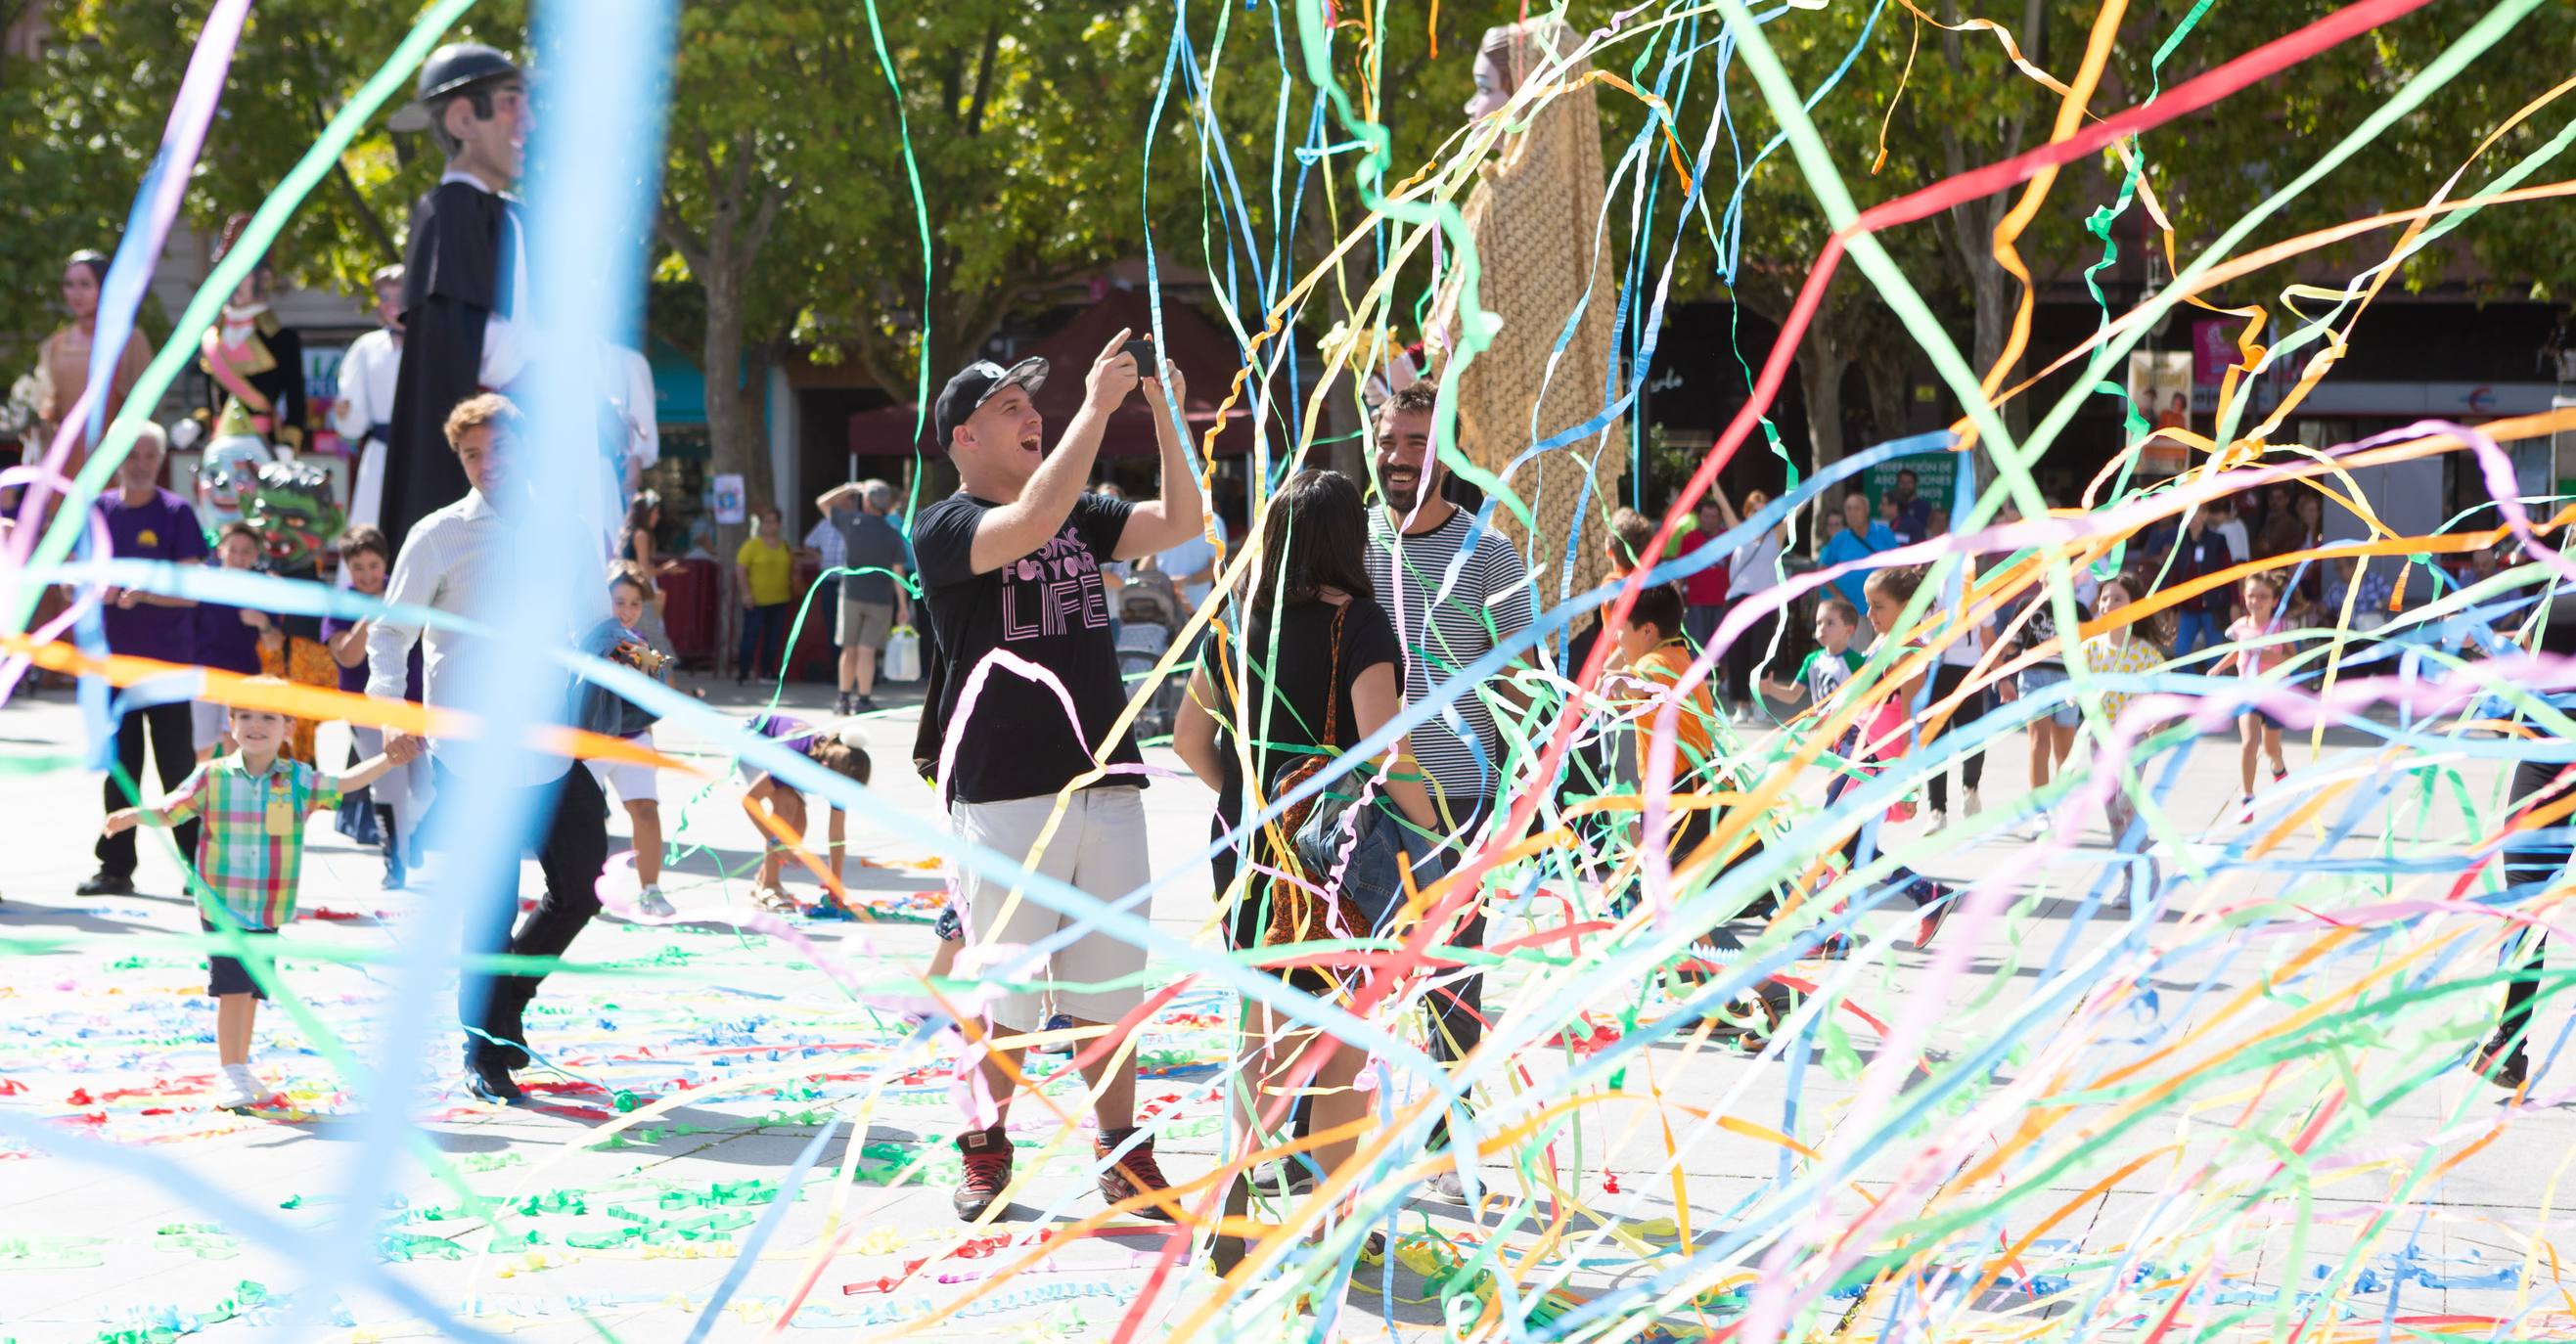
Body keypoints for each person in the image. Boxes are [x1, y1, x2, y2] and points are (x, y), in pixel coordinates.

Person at [909, 332, 1206, 1223]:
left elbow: (1179, 524)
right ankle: (983, 1147)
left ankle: (1120, 1155)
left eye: (1033, 405)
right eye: (1009, 409)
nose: (1031, 416)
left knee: (1109, 991)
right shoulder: (945, 525)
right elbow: (1031, 522)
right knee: (1002, 996)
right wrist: (1094, 408)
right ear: (963, 437)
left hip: (1106, 778)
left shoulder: (1074, 509)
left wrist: (1163, 417)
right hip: (1004, 789)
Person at [1170, 468, 1439, 1261]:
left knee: (1261, 1033)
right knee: (1336, 1047)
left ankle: (1233, 1202)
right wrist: (1439, 832)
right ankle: (1330, 1225)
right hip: (1332, 857)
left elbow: (1189, 738)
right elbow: (1388, 748)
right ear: (1348, 542)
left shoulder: (1232, 616)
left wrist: (1252, 803)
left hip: (1243, 845)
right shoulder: (1357, 624)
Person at [366, 392, 611, 1105]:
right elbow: (390, 634)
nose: (485, 465)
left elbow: (594, 624)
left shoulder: (566, 532)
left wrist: (626, 651)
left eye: (497, 450)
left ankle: (505, 1006)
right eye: (472, 455)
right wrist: (391, 713)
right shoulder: (440, 535)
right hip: (471, 753)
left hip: (550, 739)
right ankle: (484, 1052)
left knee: (582, 885)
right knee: (488, 907)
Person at [1363, 380, 1535, 1198]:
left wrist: (1524, 800)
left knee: (1451, 980)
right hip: (1358, 802)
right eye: (1390, 440)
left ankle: (1445, 1139)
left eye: (1417, 444)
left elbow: (1527, 682)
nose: (1399, 457)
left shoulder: (1489, 555)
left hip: (1459, 798)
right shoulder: (1349, 541)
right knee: (1346, 971)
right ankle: (1334, 1144)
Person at [103, 680, 417, 1110]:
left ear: (289, 727)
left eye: (269, 717)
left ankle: (240, 1067)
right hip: (222, 904)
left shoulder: (298, 779)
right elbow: (170, 811)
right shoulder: (212, 776)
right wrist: (131, 816)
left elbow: (344, 783)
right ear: (230, 724)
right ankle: (229, 1070)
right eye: (246, 716)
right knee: (233, 989)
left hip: (267, 907)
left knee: (251, 990)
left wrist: (387, 759)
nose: (256, 725)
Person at [379, 43, 532, 553]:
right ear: (465, 118)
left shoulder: (507, 213)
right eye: (511, 102)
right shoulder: (452, 213)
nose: (528, 122)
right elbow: (476, 354)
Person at [78, 425, 206, 897]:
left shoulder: (176, 513)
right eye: (132, 454)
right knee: (120, 768)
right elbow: (73, 580)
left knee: (177, 771)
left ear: (161, 460)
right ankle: (115, 868)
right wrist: (96, 590)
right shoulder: (97, 511)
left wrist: (146, 594)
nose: (140, 462)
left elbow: (194, 592)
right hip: (111, 669)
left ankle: (198, 870)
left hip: (167, 667)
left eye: (150, 454)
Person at [1833, 566, 1955, 948]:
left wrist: (1905, 781)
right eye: (1868, 605)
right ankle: (1923, 896)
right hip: (1855, 750)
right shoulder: (1882, 643)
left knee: (1840, 843)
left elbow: (1909, 723)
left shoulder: (1908, 654)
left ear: (1909, 607)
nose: (1870, 615)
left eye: (1878, 606)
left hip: (1872, 760)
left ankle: (1842, 932)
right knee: (1845, 845)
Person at [322, 525, 427, 888]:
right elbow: (347, 657)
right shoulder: (341, 604)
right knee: (389, 785)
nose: (367, 575)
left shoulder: (407, 595)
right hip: (366, 712)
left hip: (414, 706)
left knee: (428, 787)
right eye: (358, 568)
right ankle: (394, 864)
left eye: (373, 565)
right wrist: (372, 614)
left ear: (387, 563)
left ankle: (411, 837)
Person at [1602, 582, 1726, 863]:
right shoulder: (1679, 656)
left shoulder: (1654, 663)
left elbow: (1639, 683)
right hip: (1692, 783)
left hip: (1675, 791)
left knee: (1669, 881)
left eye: (1621, 628)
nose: (1617, 639)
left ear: (1647, 630)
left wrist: (1616, 683)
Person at [593, 564, 676, 918]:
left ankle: (651, 891)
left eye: (635, 604)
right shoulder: (588, 639)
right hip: (592, 743)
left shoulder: (639, 642)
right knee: (587, 818)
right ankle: (584, 891)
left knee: (646, 810)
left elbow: (662, 692)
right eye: (619, 602)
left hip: (634, 739)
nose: (627, 611)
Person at [30, 249, 155, 477]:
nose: (76, 294)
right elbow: (47, 405)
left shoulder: (128, 339)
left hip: (115, 461)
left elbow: (148, 402)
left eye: (85, 285)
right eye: (69, 284)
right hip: (65, 461)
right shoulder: (55, 345)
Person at [737, 711, 871, 913]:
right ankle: (768, 886)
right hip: (754, 739)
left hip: (784, 751)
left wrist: (836, 883)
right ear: (824, 768)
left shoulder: (841, 770)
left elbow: (836, 834)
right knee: (787, 804)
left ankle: (763, 879)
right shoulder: (794, 760)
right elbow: (749, 800)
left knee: (799, 825)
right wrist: (775, 843)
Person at [816, 477, 914, 714]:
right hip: (880, 601)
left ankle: (842, 699)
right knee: (867, 651)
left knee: (849, 649)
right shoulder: (892, 534)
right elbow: (897, 572)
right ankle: (864, 699)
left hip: (851, 596)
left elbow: (822, 503)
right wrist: (902, 606)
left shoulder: (853, 522)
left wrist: (849, 488)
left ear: (867, 501)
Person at [2209, 571, 2293, 822]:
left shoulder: (2281, 627)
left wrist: (2272, 658)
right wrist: (2219, 667)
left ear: (2274, 600)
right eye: (2251, 596)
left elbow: (2293, 658)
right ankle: (2247, 797)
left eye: (2263, 596)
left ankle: (2278, 765)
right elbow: (2239, 652)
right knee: (2249, 743)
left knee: (2270, 747)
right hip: (2248, 693)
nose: (2256, 601)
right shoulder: (2240, 627)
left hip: (2275, 695)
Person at [193, 522, 279, 760]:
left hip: (243, 677)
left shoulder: (261, 588)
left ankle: (229, 795)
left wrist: (263, 623)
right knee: (200, 748)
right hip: (204, 676)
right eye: (233, 550)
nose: (239, 557)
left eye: (246, 551)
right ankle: (199, 793)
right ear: (221, 551)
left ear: (255, 555)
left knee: (235, 741)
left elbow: (274, 643)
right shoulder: (203, 584)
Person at [333, 266, 405, 530]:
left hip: (423, 452)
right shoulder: (366, 348)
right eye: (386, 297)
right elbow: (354, 421)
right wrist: (345, 414)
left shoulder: (433, 343)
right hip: (380, 457)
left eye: (400, 296)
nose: (393, 305)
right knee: (370, 528)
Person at [1921, 581, 1994, 827]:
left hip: (1968, 671)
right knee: (1935, 742)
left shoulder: (1978, 588)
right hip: (1934, 672)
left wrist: (2001, 677)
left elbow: (1987, 636)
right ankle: (1937, 810)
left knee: (1972, 741)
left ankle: (1970, 788)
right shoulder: (1925, 588)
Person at [1724, 489, 1788, 724]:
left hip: (1764, 601)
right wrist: (1711, 480)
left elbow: (1795, 510)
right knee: (1738, 653)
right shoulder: (1740, 533)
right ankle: (1741, 705)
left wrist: (1812, 487)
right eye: (1754, 511)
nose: (1758, 515)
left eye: (1763, 511)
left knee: (1760, 654)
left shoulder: (1776, 534)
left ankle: (1756, 702)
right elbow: (1724, 507)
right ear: (1747, 513)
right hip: (1738, 599)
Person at [1760, 597, 1867, 710]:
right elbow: (1793, 694)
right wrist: (1771, 689)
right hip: (1821, 726)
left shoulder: (1857, 661)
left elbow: (1867, 697)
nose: (1822, 628)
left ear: (1849, 630)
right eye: (1818, 623)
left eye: (1830, 623)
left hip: (1849, 726)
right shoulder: (1812, 660)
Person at [733, 504, 794, 687]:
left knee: (773, 638)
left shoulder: (784, 546)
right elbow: (740, 569)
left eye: (772, 522)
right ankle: (744, 671)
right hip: (756, 600)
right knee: (751, 636)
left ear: (779, 524)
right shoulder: (752, 545)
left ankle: (768, 671)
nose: (768, 526)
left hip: (780, 599)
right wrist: (746, 593)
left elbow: (790, 567)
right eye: (765, 522)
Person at [1669, 493, 1739, 654]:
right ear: (1699, 517)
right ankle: (1699, 679)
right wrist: (1677, 597)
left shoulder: (1728, 539)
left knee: (1724, 647)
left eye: (1714, 517)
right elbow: (1681, 572)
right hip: (1696, 602)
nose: (1710, 520)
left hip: (1723, 602)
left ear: (1720, 518)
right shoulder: (1689, 539)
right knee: (1697, 648)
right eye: (1706, 516)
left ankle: (1726, 679)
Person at [2164, 506, 2235, 659]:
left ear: (2204, 515)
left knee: (2213, 658)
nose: (2189, 517)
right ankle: (2193, 684)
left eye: (2193, 513)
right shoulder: (2180, 542)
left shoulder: (2217, 541)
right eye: (2185, 514)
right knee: (2181, 654)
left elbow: (2229, 574)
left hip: (2212, 607)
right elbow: (2175, 577)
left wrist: (2235, 604)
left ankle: (2213, 683)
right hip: (2188, 609)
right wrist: (2172, 612)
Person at [1820, 488, 1899, 615]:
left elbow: (1899, 565)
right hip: (1852, 612)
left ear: (1866, 511)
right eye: (1848, 509)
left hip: (1884, 609)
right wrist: (1838, 596)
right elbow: (1823, 570)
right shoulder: (1839, 538)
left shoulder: (1883, 533)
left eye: (1857, 509)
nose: (1852, 513)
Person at [1888, 469, 1935, 542]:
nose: (1905, 486)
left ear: (1915, 484)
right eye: (1902, 482)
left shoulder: (1924, 507)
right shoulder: (1893, 506)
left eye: (1909, 482)